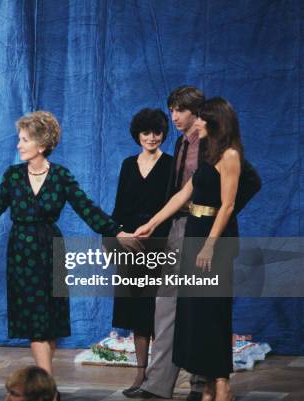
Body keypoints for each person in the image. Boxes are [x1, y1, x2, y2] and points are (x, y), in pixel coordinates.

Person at [0, 111, 131, 375]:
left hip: (50, 250)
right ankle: (47, 385)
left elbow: (86, 208)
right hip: (21, 253)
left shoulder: (61, 175)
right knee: (35, 323)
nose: (18, 145)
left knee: (49, 322)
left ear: (41, 145)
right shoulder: (13, 175)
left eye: (24, 139)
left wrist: (115, 231)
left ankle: (45, 384)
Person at [135, 97, 241, 401]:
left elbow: (229, 204)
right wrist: (153, 223)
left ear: (212, 121)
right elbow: (183, 194)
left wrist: (210, 245)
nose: (196, 124)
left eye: (201, 119)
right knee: (190, 311)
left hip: (211, 238)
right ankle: (202, 383)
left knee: (212, 312)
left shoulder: (229, 154)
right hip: (191, 230)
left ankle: (217, 382)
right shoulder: (206, 154)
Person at [127, 86, 207, 401]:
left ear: (195, 111)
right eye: (172, 109)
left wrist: (218, 218)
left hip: (204, 228)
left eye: (179, 110)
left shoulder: (212, 142)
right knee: (166, 305)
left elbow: (241, 184)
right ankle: (158, 384)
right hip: (179, 226)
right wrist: (155, 223)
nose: (174, 116)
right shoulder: (181, 143)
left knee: (200, 306)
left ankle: (200, 384)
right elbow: (178, 192)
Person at [110, 108, 173, 396]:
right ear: (137, 134)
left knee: (160, 314)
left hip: (162, 244)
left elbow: (174, 209)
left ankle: (160, 377)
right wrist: (116, 237)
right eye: (146, 132)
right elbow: (119, 208)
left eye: (157, 131)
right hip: (131, 246)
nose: (151, 137)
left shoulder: (172, 164)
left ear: (163, 133)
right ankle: (140, 375)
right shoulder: (127, 165)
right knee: (137, 315)